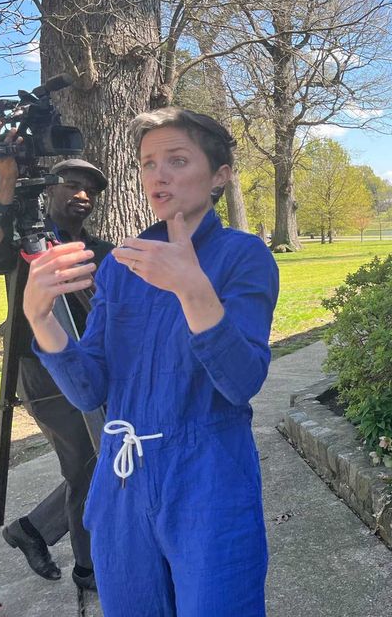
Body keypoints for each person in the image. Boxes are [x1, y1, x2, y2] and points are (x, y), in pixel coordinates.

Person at [23, 107, 278, 616]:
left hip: (209, 479)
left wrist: (192, 289)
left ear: (219, 176)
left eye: (177, 160)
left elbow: (242, 381)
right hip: (122, 483)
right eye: (148, 163)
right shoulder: (123, 264)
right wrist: (40, 318)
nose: (158, 175)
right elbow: (88, 390)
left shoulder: (243, 256)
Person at [0, 133, 113, 592]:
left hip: (92, 365)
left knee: (105, 455)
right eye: (72, 184)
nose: (83, 194)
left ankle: (33, 529)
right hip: (41, 368)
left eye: (91, 189)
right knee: (86, 461)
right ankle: (89, 567)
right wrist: (6, 183)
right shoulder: (29, 243)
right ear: (48, 189)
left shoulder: (101, 251)